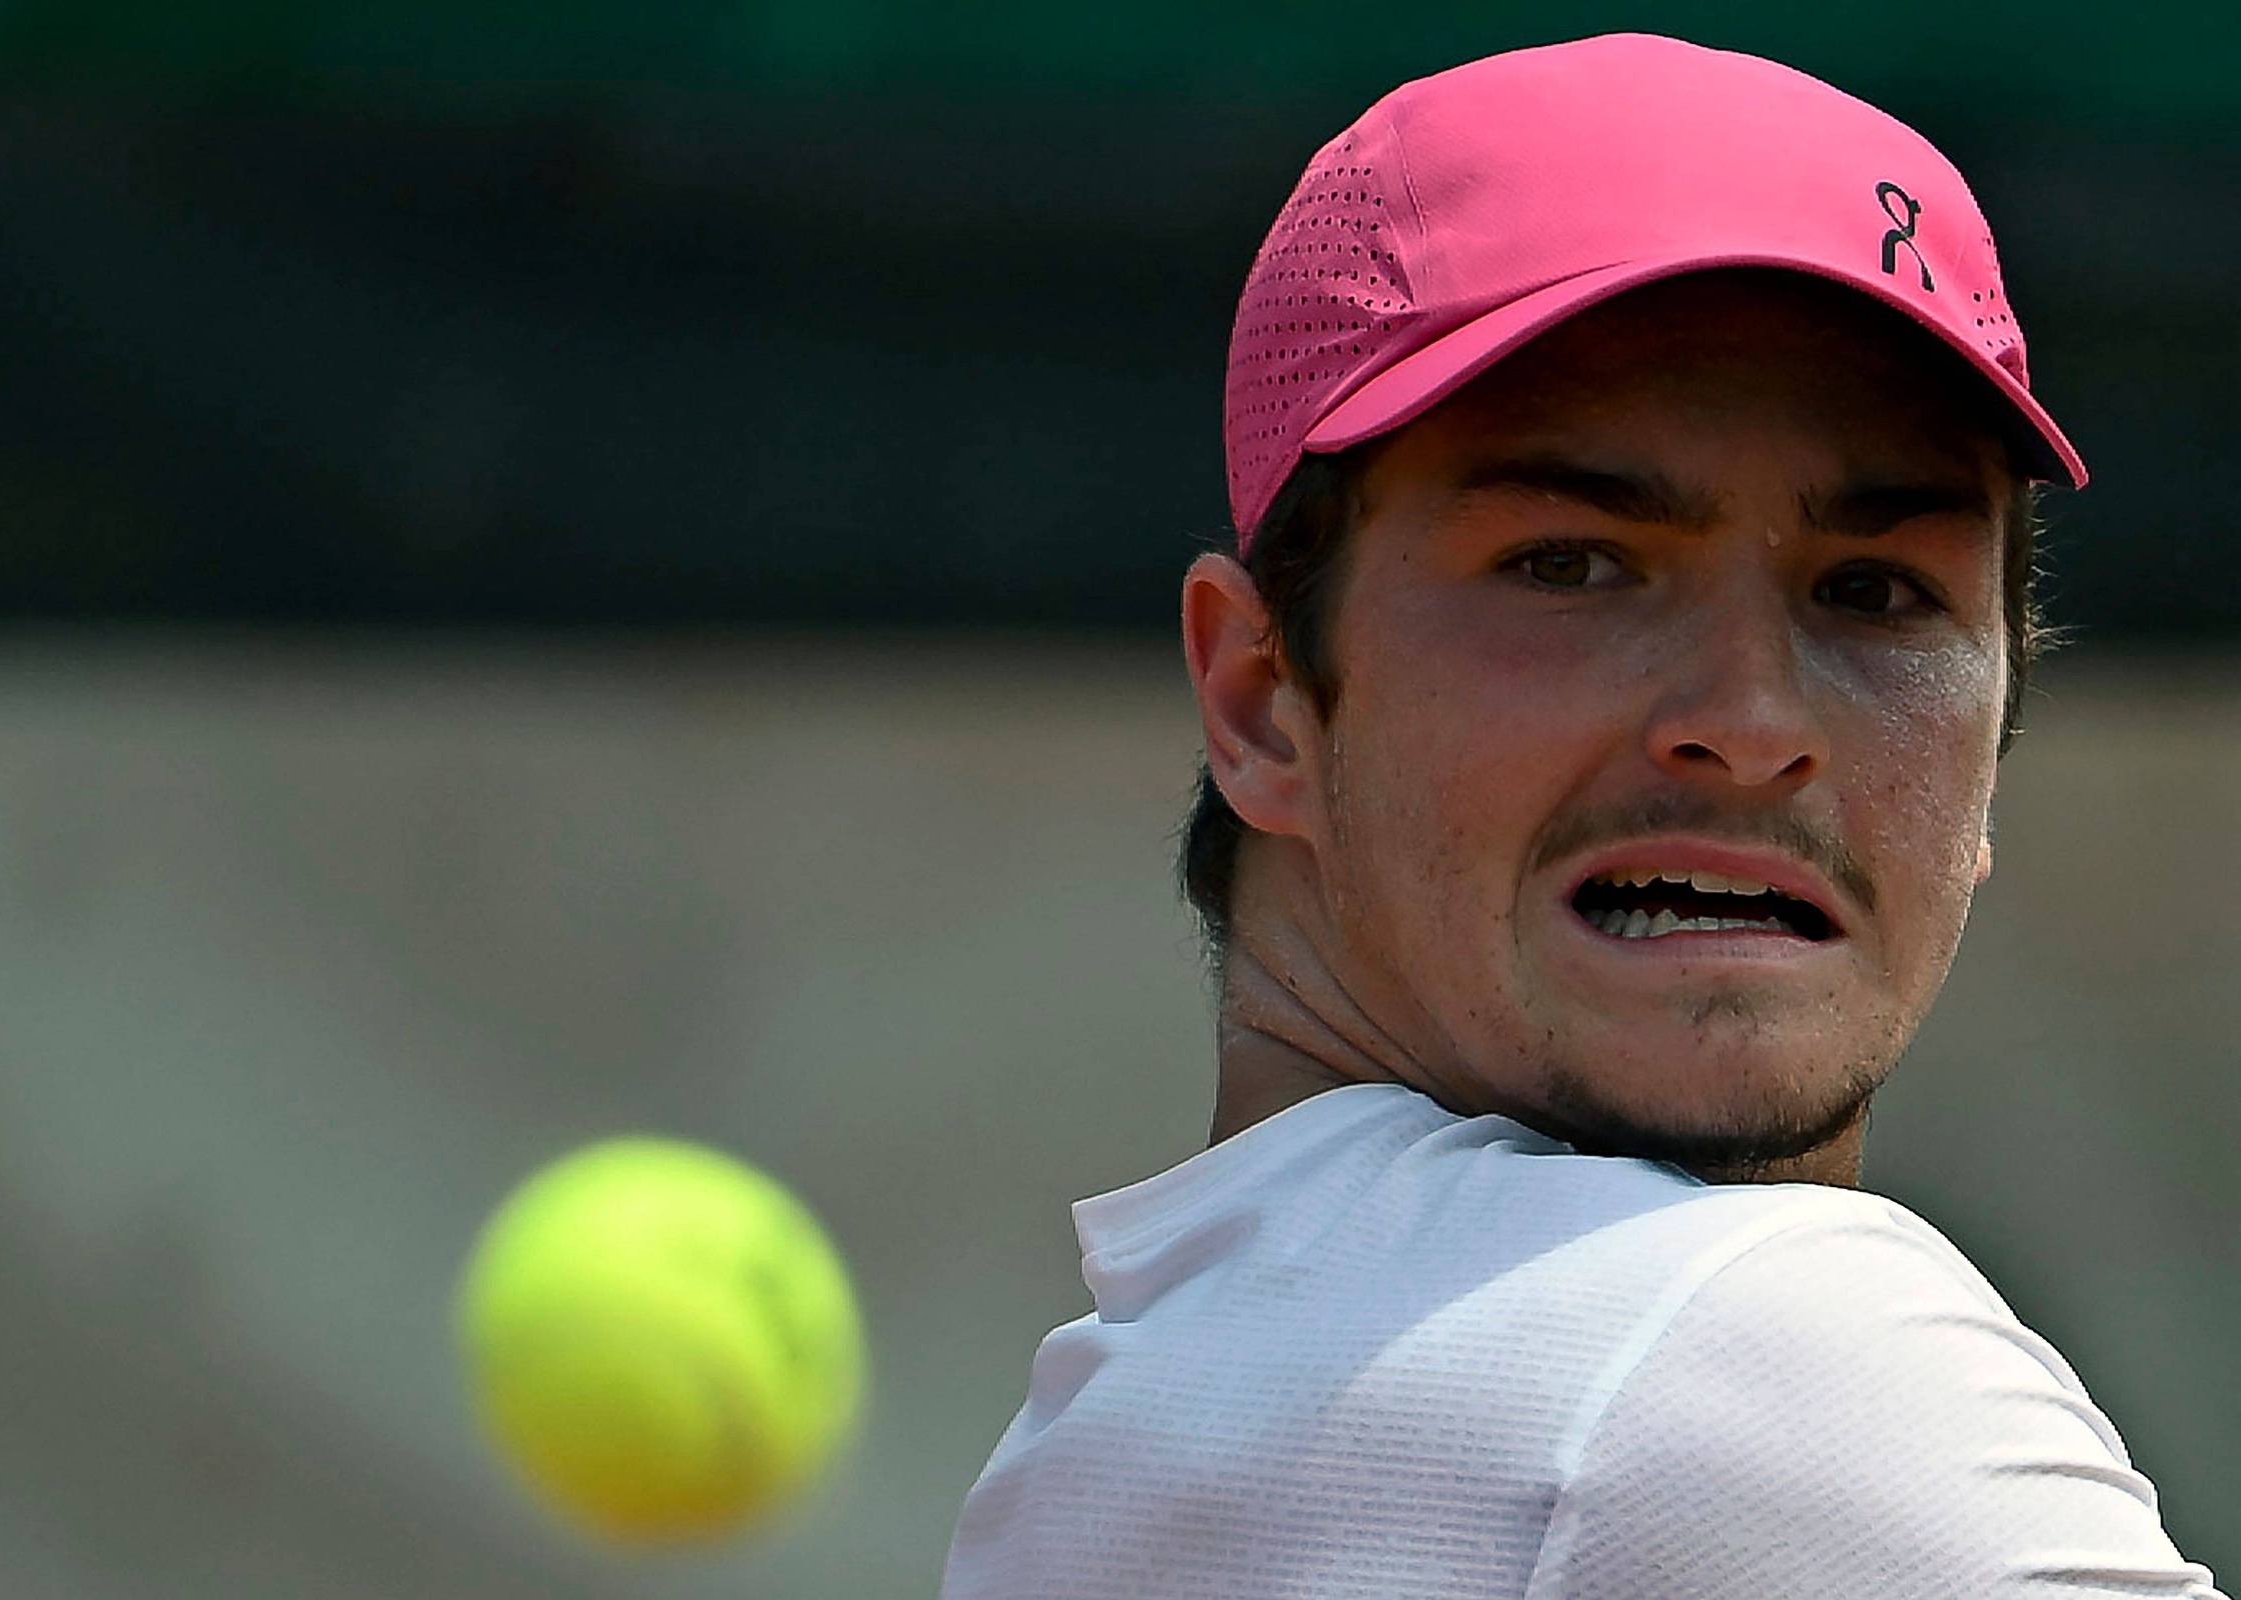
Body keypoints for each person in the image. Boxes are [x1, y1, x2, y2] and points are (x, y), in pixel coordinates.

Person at [936, 33, 2227, 1599]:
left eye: (1875, 592)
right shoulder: (1768, 1351)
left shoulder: (1106, 1440)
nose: (1751, 724)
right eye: (1572, 565)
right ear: (1265, 696)